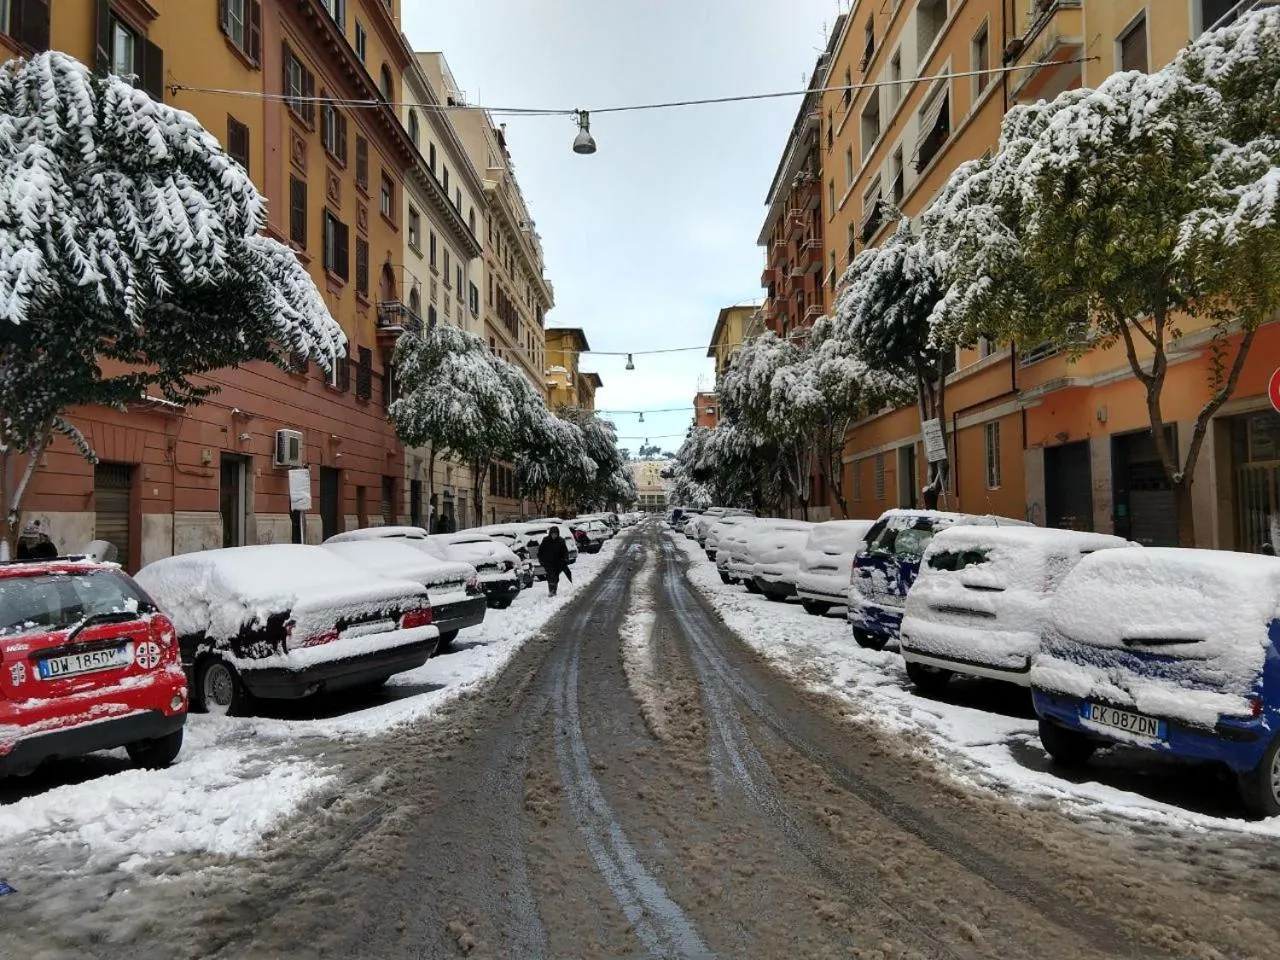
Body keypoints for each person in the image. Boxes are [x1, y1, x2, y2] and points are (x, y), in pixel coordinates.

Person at [537, 526, 572, 596]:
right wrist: (541, 559)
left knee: (555, 577)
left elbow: (565, 551)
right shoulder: (546, 540)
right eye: (553, 534)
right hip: (548, 562)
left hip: (558, 563)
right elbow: (541, 550)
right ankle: (552, 591)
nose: (554, 536)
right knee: (550, 576)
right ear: (550, 534)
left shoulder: (561, 541)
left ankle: (554, 590)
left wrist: (566, 558)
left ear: (558, 534)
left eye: (555, 534)